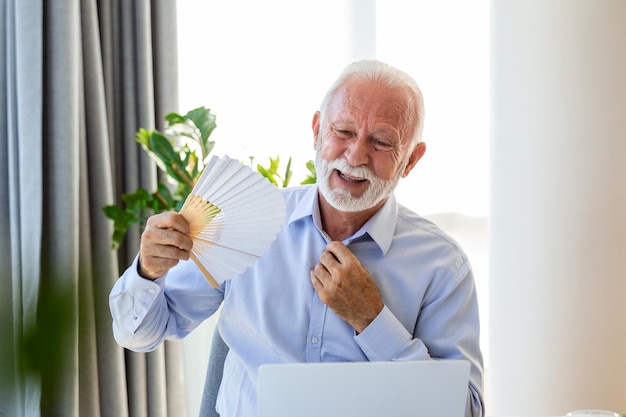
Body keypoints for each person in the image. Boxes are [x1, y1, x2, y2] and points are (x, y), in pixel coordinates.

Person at [110, 59, 484, 417]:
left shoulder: (442, 266)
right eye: (344, 132)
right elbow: (141, 333)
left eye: (382, 143)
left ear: (411, 160)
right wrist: (148, 271)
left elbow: (464, 411)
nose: (355, 156)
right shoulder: (244, 221)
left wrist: (372, 321)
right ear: (317, 130)